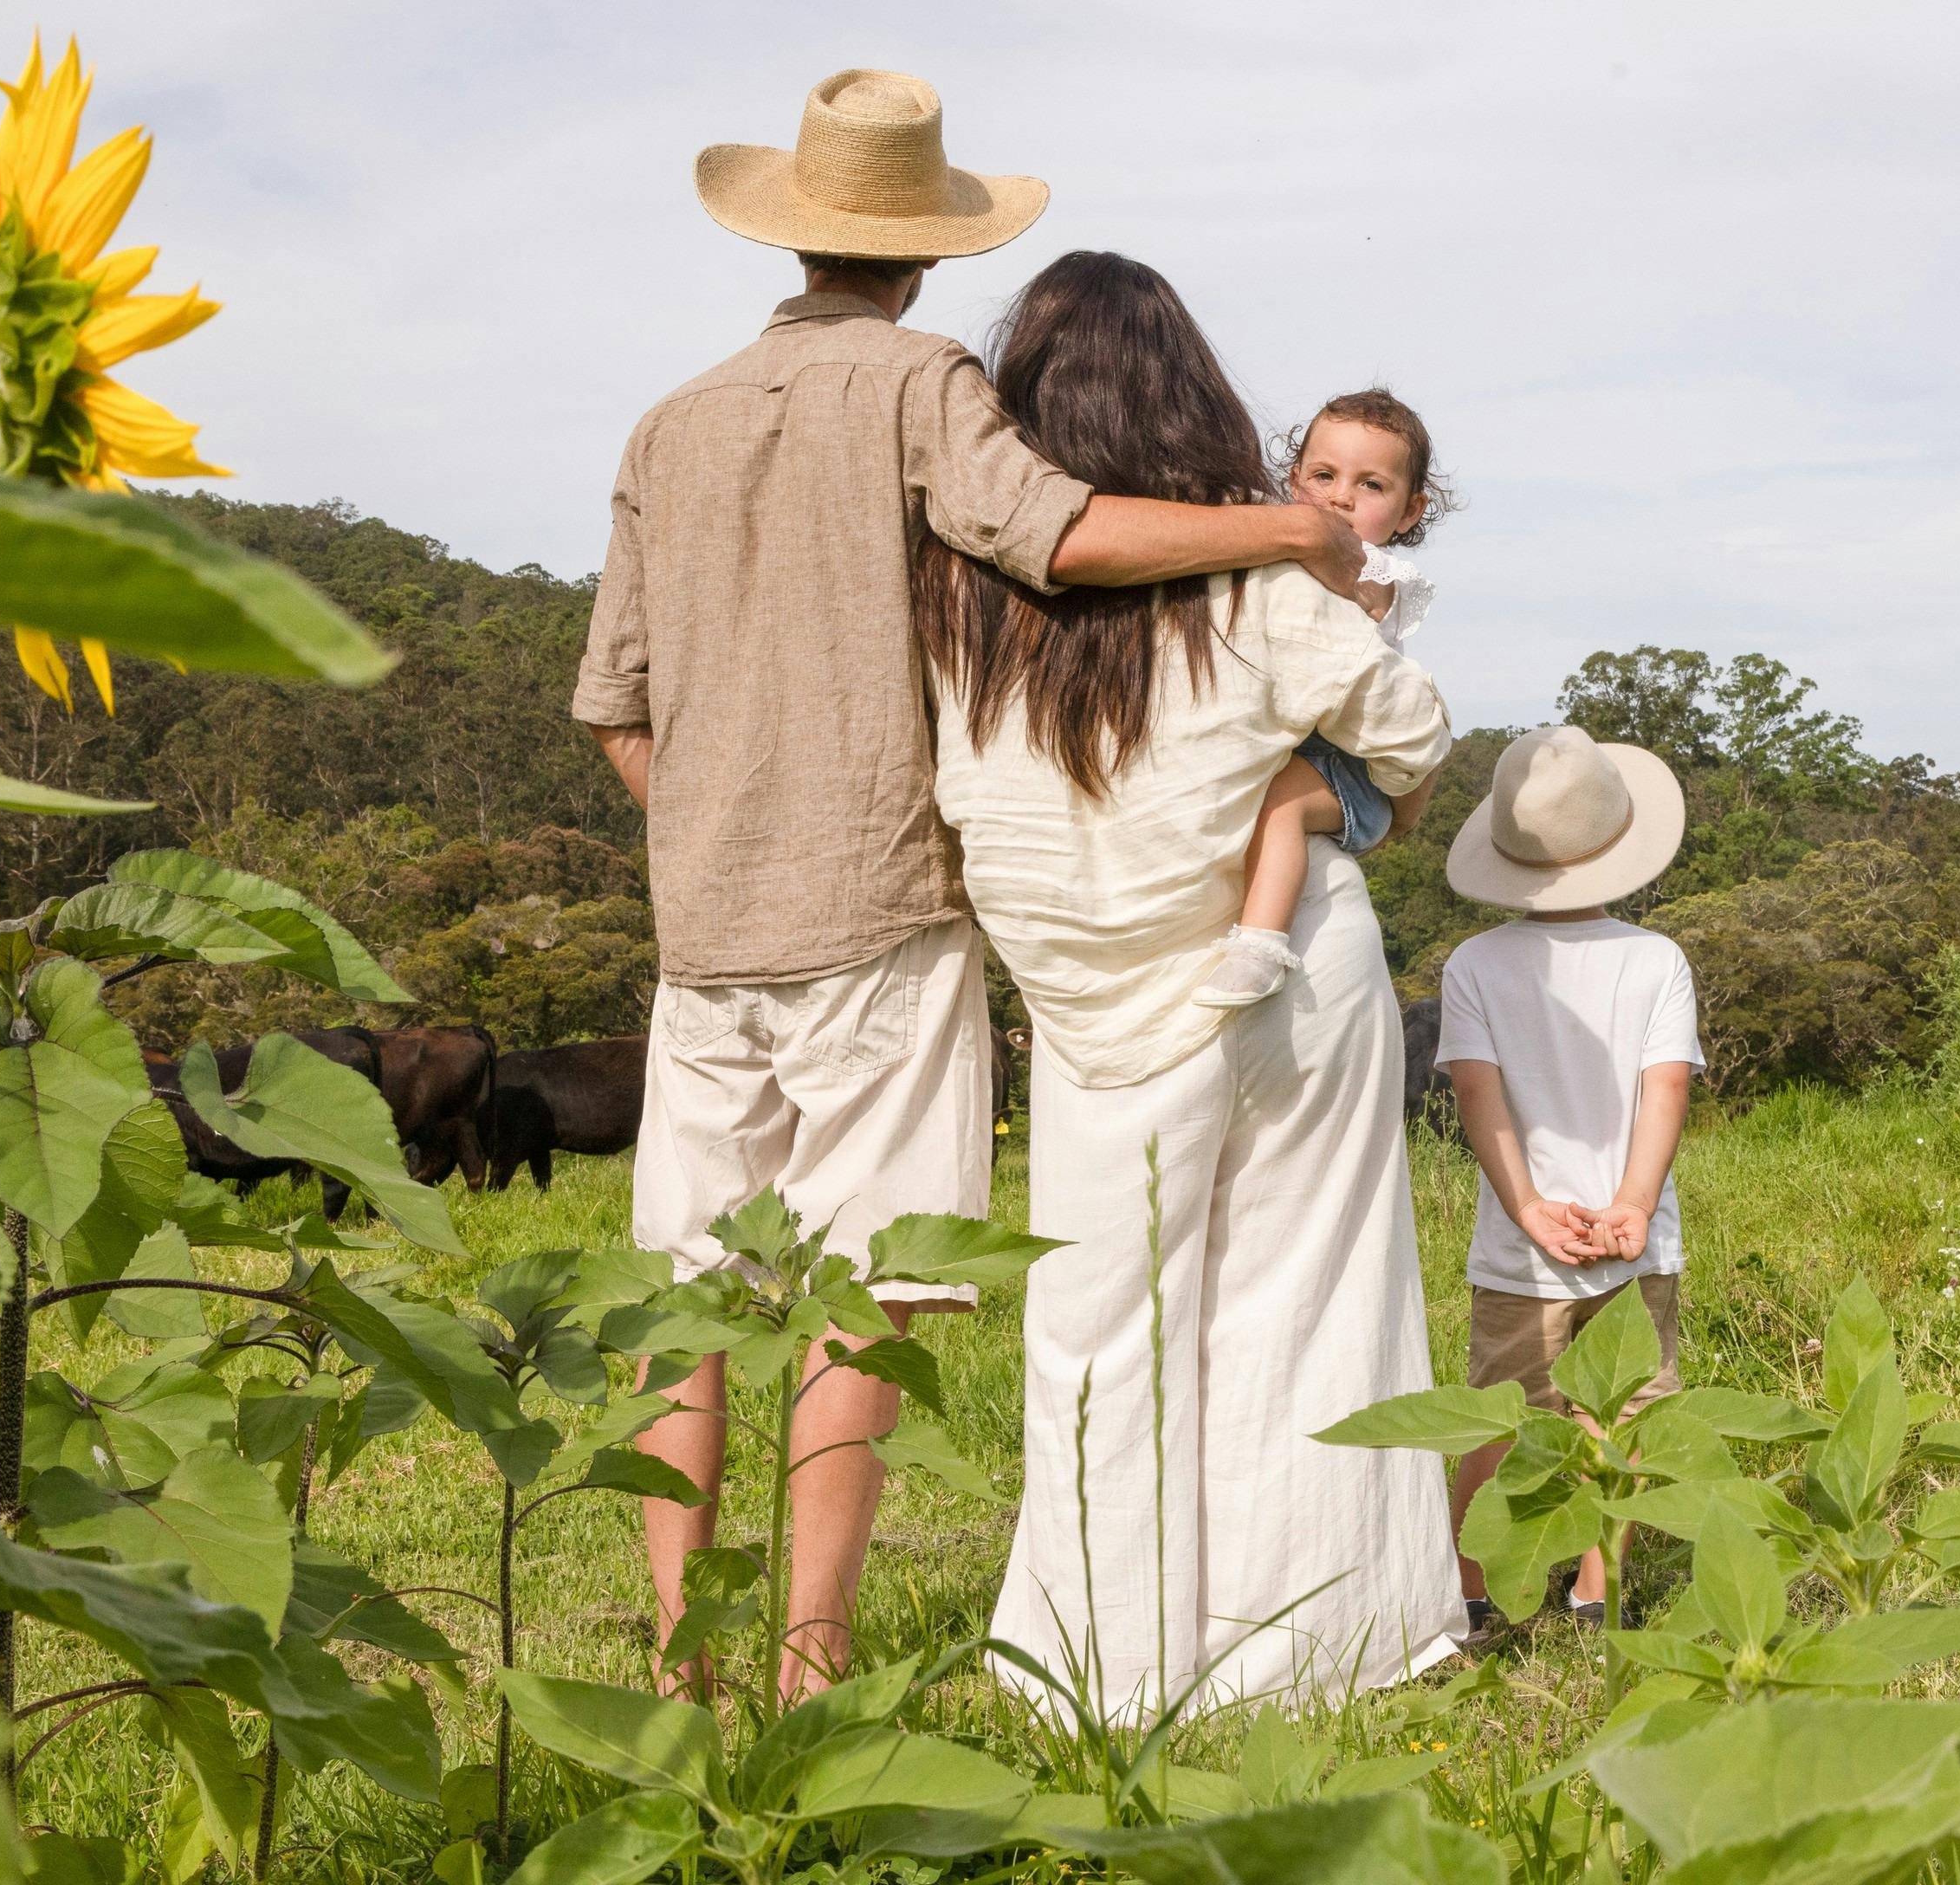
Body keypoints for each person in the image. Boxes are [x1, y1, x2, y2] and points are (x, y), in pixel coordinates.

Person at [572, 70, 1368, 1702]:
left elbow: (613, 708)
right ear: (921, 256)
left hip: (700, 927)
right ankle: (809, 1649)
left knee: (684, 1294)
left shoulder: (669, 419)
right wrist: (1284, 529)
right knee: (867, 1287)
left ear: (792, 236)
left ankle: (672, 1654)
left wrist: (704, 837)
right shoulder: (920, 381)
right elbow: (1051, 534)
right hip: (876, 906)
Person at [916, 250, 1465, 1714]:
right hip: (1289, 969)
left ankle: (1091, 1662)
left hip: (1088, 1009)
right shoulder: (1261, 572)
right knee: (1308, 1293)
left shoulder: (950, 597)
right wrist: (1327, 794)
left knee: (1095, 1328)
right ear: (1195, 399)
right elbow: (1407, 737)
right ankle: (1308, 1649)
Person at [1433, 726, 1701, 1635]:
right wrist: (1629, 1203)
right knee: (1618, 1420)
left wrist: (1530, 1210)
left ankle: (1474, 1593)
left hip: (1520, 1249)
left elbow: (1478, 1093)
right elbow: (1665, 1087)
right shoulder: (1657, 958)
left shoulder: (1473, 964)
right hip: (1636, 1242)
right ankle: (1597, 1591)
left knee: (1495, 1420)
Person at [1195, 392, 1455, 1009]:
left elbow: (1340, 628)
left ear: (1408, 511)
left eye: (1370, 485)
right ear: (1293, 482)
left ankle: (1260, 945)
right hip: (1306, 743)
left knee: (1279, 802)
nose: (1341, 497)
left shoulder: (1375, 575)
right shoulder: (1291, 539)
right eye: (1323, 476)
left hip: (1348, 769)